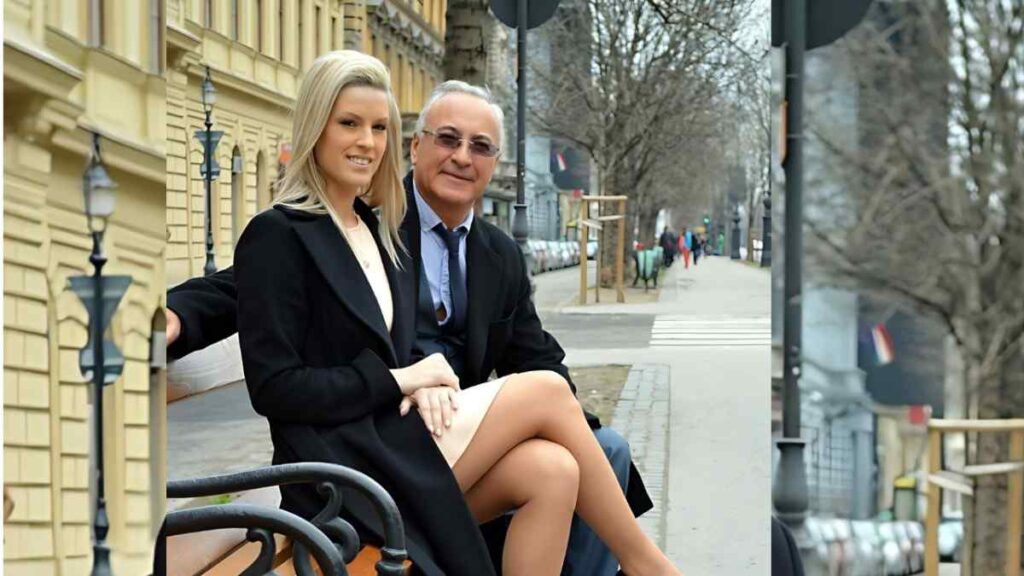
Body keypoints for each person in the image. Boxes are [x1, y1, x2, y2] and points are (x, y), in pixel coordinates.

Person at [171, 53, 674, 575]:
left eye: (378, 128)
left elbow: (534, 351)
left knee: (558, 466)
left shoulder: (383, 230)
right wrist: (176, 313)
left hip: (416, 431)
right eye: (349, 124)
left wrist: (430, 387)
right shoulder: (367, 223)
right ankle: (646, 564)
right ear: (416, 147)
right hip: (354, 457)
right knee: (546, 393)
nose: (367, 142)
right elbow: (251, 289)